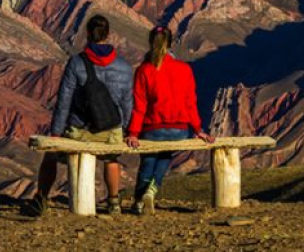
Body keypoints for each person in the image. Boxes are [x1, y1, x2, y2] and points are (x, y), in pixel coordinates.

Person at [30, 15, 133, 216]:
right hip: (111, 132)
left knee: (50, 154)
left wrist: (56, 133)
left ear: (88, 34)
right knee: (112, 159)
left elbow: (64, 101)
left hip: (80, 131)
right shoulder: (124, 67)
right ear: (108, 35)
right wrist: (127, 129)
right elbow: (127, 103)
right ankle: (113, 202)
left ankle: (41, 197)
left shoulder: (76, 63)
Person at [126, 25, 215, 215]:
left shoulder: (144, 70)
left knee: (148, 161)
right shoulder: (185, 69)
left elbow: (139, 106)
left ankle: (138, 202)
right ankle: (152, 189)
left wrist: (133, 133)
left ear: (151, 43)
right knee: (165, 156)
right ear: (170, 43)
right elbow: (190, 102)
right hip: (180, 130)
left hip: (153, 128)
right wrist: (198, 129)